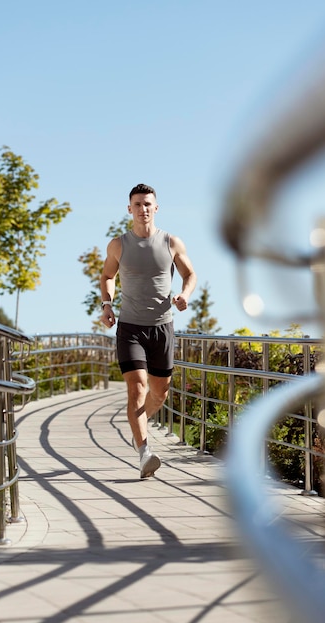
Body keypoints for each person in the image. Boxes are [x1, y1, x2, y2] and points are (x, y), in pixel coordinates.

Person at [100, 183, 197, 479]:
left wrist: (185, 295)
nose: (143, 209)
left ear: (156, 208)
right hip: (130, 327)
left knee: (160, 393)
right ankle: (144, 451)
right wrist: (107, 304)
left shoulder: (171, 242)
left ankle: (136, 428)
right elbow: (106, 275)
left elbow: (190, 274)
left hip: (162, 327)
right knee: (137, 388)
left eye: (148, 204)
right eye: (138, 204)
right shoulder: (118, 245)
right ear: (129, 209)